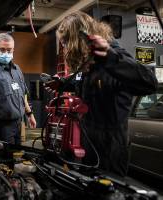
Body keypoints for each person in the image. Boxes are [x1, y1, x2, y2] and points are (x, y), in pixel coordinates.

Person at [50, 11, 158, 177]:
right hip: (91, 138)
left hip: (111, 143)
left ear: (78, 40)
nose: (64, 47)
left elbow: (149, 83)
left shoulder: (111, 54)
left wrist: (112, 58)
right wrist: (64, 84)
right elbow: (87, 84)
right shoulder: (90, 60)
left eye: (65, 42)